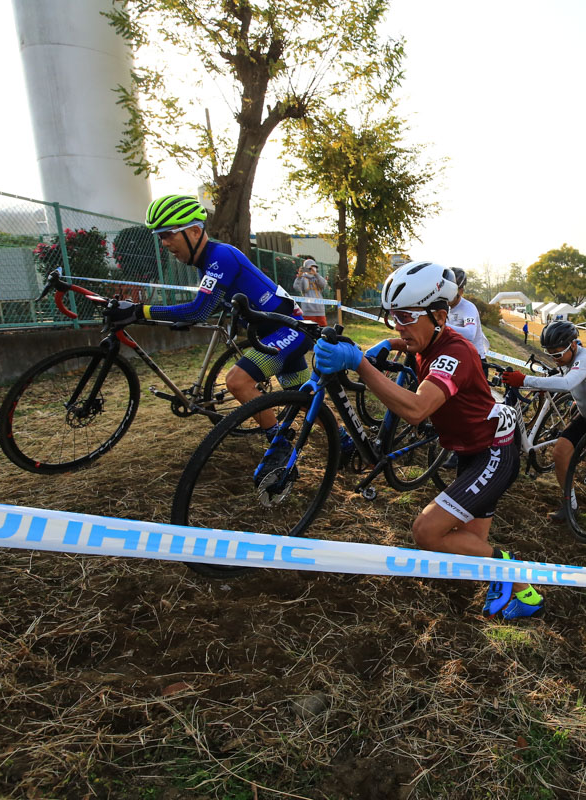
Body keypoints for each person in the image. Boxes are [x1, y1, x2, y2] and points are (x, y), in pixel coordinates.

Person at [313, 261, 543, 620]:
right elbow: (408, 343)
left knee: (426, 532)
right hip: (475, 450)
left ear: (438, 315)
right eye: (391, 317)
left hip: (493, 454)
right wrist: (382, 344)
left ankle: (513, 575)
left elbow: (418, 409)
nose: (397, 326)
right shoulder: (428, 337)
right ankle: (507, 577)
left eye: (405, 317)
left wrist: (361, 363)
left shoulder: (456, 352)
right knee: (470, 545)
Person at [106, 194, 310, 439]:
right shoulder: (207, 262)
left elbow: (198, 309)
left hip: (287, 331)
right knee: (305, 400)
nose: (164, 243)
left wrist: (139, 311)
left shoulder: (220, 257)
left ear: (193, 231)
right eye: (159, 237)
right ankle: (343, 440)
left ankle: (278, 442)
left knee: (237, 381)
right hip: (273, 332)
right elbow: (211, 304)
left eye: (167, 234)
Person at [502, 321, 586, 528]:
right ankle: (570, 504)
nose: (555, 360)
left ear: (573, 345)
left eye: (557, 355)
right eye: (550, 354)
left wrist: (525, 380)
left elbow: (567, 384)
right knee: (560, 453)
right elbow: (562, 376)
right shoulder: (567, 358)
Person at [446, 268, 490, 368]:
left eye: (451, 292)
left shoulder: (468, 308)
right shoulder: (445, 306)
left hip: (475, 361)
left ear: (461, 291)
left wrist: (443, 326)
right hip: (455, 358)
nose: (447, 296)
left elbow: (470, 334)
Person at [293, 256, 329, 326]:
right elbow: (296, 287)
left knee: (323, 330)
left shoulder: (318, 277)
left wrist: (316, 274)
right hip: (308, 311)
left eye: (314, 267)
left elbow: (324, 284)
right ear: (305, 268)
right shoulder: (302, 278)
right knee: (309, 332)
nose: (312, 269)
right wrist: (299, 276)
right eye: (310, 268)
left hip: (320, 311)